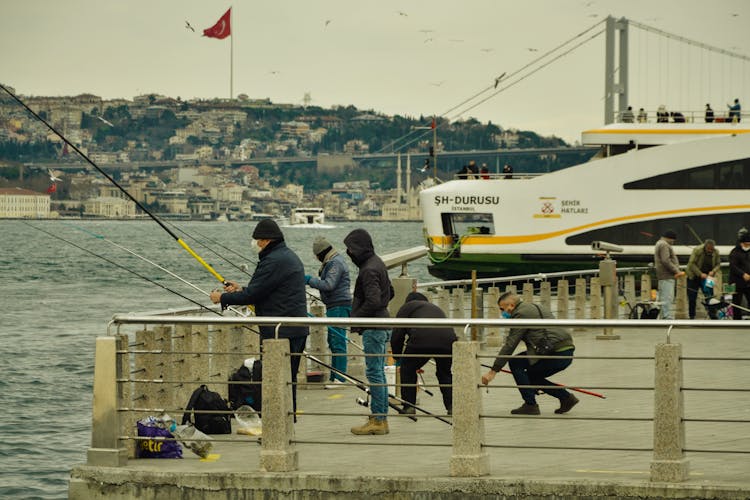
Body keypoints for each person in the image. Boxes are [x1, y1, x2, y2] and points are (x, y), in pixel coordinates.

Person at [210, 219, 309, 417]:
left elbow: (252, 296)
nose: (254, 243)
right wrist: (240, 289)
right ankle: (286, 423)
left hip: (280, 331)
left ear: (265, 241)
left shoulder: (273, 261)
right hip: (295, 327)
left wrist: (222, 297)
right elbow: (265, 290)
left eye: (256, 240)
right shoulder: (285, 256)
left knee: (275, 379)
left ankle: (276, 425)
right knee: (287, 380)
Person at [481, 292, 577, 415]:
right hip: (564, 349)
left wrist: (493, 371)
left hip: (555, 352)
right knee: (530, 376)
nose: (502, 313)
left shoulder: (520, 314)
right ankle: (566, 398)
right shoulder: (535, 307)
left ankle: (531, 405)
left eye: (502, 309)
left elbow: (511, 344)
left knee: (517, 364)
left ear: (510, 305)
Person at [344, 228, 393, 435]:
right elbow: (390, 292)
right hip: (382, 323)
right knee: (378, 372)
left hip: (374, 327)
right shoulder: (377, 263)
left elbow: (373, 300)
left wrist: (357, 317)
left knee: (375, 373)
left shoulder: (368, 270)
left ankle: (378, 420)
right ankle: (379, 418)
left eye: (350, 249)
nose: (349, 253)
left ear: (358, 249)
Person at [391, 292, 457, 415]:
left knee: (407, 370)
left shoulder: (407, 307)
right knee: (445, 373)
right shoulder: (434, 308)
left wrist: (397, 357)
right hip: (448, 340)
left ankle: (409, 406)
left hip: (421, 339)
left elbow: (397, 335)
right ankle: (452, 406)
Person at [305, 236, 352, 388]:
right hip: (334, 305)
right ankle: (334, 376)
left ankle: (340, 378)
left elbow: (329, 285)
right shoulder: (334, 260)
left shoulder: (335, 263)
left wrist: (308, 280)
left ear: (321, 253)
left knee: (338, 342)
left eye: (317, 256)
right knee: (333, 341)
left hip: (339, 306)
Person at [654, 229, 685, 320]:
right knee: (667, 296)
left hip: (664, 275)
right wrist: (677, 271)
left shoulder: (659, 243)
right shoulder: (664, 245)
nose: (673, 242)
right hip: (666, 275)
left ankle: (664, 315)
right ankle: (666, 316)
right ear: (670, 238)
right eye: (673, 240)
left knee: (664, 296)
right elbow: (666, 260)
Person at [686, 239, 720, 319]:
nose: (710, 251)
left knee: (710, 296)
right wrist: (700, 274)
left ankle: (712, 315)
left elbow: (718, 264)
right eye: (708, 249)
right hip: (693, 276)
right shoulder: (697, 250)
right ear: (705, 246)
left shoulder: (716, 252)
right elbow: (691, 264)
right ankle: (692, 316)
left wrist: (713, 271)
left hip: (708, 277)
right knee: (692, 297)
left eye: (711, 249)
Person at [728, 232, 750, 321]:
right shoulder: (735, 252)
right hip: (737, 282)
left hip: (749, 283)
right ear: (741, 243)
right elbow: (733, 266)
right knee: (736, 302)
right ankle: (737, 320)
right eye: (746, 244)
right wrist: (743, 274)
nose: (748, 246)